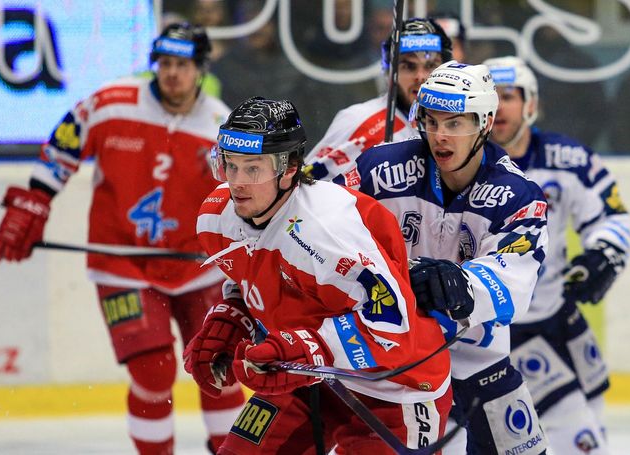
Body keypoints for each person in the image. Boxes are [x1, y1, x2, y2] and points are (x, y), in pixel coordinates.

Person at [0, 23, 246, 454]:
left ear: (200, 69)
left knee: (220, 369)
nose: (171, 74)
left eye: (182, 65)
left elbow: (243, 196)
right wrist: (34, 201)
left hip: (197, 269)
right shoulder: (111, 103)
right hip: (122, 262)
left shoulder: (221, 127)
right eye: (164, 63)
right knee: (153, 372)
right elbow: (62, 147)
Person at [185, 96, 453, 454]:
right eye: (230, 166)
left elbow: (393, 324)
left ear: (291, 168)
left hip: (396, 387)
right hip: (310, 380)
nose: (237, 184)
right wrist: (233, 317)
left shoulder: (328, 233)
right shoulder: (217, 218)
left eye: (254, 169)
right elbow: (250, 275)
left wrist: (304, 348)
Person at [331, 61, 550, 454]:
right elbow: (321, 221)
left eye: (455, 124)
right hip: (397, 367)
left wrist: (460, 283)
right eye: (431, 121)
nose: (440, 137)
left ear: (485, 123)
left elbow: (515, 277)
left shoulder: (518, 195)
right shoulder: (379, 167)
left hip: (478, 366)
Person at [484, 55, 630, 454]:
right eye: (492, 97)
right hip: (491, 333)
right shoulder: (462, 167)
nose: (500, 106)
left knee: (592, 429)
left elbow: (611, 217)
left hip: (558, 317)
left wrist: (603, 254)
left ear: (531, 103)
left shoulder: (568, 159)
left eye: (509, 96)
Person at [304, 17, 453, 182]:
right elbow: (307, 184)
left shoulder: (462, 123)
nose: (420, 77)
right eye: (409, 66)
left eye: (431, 66)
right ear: (389, 71)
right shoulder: (360, 120)